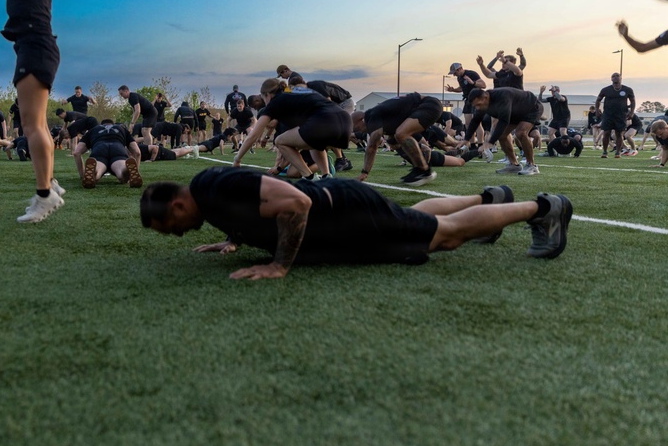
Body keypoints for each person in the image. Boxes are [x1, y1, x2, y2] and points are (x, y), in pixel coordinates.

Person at [140, 167, 573, 279]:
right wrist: (233, 240)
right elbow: (251, 210)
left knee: (444, 238)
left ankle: (544, 209)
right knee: (410, 220)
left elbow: (293, 203)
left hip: (346, 211)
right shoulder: (208, 196)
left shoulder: (213, 190)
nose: (176, 234)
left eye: (171, 228)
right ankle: (489, 199)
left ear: (177, 207)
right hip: (345, 208)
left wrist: (279, 264)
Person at [0, 0, 67, 221]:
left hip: (36, 47)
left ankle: (44, 196)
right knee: (36, 124)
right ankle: (49, 184)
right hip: (34, 47)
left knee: (31, 125)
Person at [234, 78, 351, 179]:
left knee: (279, 141)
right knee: (314, 143)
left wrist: (237, 159)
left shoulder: (275, 102)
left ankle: (308, 177)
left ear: (267, 95)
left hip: (324, 121)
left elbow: (253, 135)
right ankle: (326, 176)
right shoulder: (293, 90)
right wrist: (280, 167)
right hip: (345, 122)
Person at [352, 92, 443, 186]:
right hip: (423, 107)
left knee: (401, 134)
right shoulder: (383, 116)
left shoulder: (372, 116)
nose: (360, 132)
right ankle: (421, 162)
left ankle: (424, 170)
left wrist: (364, 172)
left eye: (358, 129)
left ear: (362, 119)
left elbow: (372, 147)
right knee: (394, 142)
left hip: (428, 105)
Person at [461, 87, 544, 175]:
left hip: (531, 107)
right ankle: (514, 165)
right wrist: (466, 139)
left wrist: (490, 142)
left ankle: (532, 165)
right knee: (502, 135)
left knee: (520, 133)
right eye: (475, 106)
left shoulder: (502, 97)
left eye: (478, 104)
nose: (477, 108)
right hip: (515, 111)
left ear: (485, 97)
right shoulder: (483, 104)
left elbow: (504, 121)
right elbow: (475, 120)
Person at [72, 119, 143, 189]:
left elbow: (77, 153)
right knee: (121, 173)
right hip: (118, 150)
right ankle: (126, 170)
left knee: (97, 170)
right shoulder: (121, 129)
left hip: (99, 150)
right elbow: (137, 152)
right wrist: (136, 170)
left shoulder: (93, 129)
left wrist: (82, 175)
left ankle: (93, 173)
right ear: (113, 124)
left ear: (101, 124)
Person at [594, 72, 635, 159]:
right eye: (613, 76)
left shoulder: (627, 89)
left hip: (621, 115)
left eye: (617, 76)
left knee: (619, 134)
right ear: (611, 79)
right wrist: (597, 110)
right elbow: (598, 100)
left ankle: (618, 152)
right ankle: (605, 152)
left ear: (621, 78)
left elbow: (633, 101)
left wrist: (631, 112)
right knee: (606, 133)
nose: (615, 77)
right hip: (608, 115)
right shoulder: (606, 90)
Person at [445, 62, 487, 143]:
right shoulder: (459, 78)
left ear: (460, 69)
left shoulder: (472, 74)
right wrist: (453, 90)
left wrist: (473, 82)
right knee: (468, 123)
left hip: (477, 99)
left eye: (455, 73)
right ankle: (472, 145)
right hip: (468, 99)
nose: (454, 75)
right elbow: (462, 88)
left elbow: (483, 85)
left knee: (477, 123)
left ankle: (480, 144)